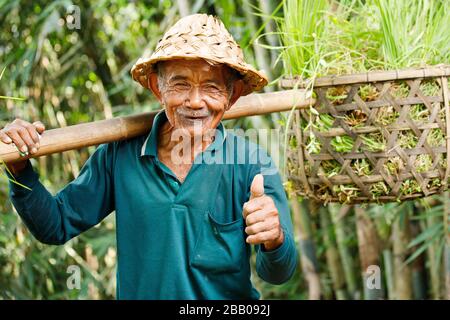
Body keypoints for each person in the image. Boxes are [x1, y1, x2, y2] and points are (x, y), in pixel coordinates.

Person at [1, 13, 297, 299]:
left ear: (231, 96)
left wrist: (274, 239)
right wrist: (19, 169)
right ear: (158, 88)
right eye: (180, 84)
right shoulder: (119, 155)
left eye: (211, 87)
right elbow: (55, 225)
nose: (195, 102)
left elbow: (278, 273)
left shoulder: (251, 163)